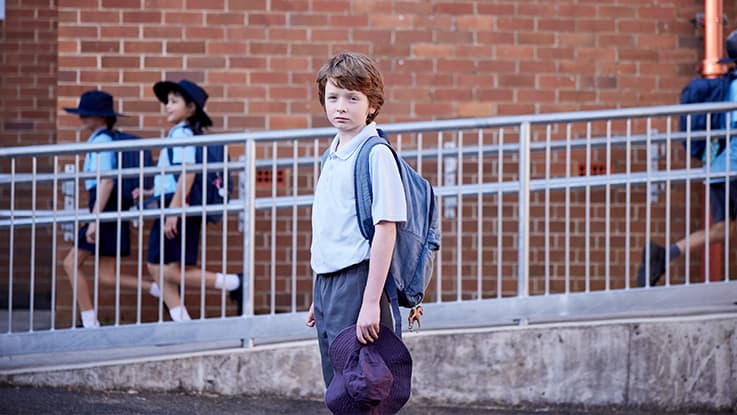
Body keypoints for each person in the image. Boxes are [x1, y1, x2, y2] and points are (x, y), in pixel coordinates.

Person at [305, 53, 407, 387]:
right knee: (338, 385)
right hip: (329, 284)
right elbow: (334, 229)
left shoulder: (375, 154)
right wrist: (319, 296)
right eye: (333, 97)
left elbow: (386, 229)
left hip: (358, 282)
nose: (341, 107)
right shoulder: (332, 154)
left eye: (353, 98)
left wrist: (369, 303)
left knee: (362, 386)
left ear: (372, 105)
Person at [638, 30, 737, 287]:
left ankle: (665, 255)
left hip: (721, 167)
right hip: (733, 167)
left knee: (725, 228)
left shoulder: (730, 84)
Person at [138, 79, 243, 321]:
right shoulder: (180, 133)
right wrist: (148, 194)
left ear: (191, 108)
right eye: (167, 101)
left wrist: (173, 212)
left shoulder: (183, 133)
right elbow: (174, 176)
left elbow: (188, 172)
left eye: (174, 101)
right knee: (158, 267)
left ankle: (235, 283)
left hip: (178, 207)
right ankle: (182, 323)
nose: (168, 106)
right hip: (174, 204)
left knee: (169, 271)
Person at [62, 90, 166, 328]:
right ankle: (157, 289)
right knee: (106, 275)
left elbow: (106, 180)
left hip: (103, 206)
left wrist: (94, 220)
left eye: (88, 114)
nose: (83, 118)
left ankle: (90, 322)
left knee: (70, 263)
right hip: (109, 206)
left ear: (103, 117)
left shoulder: (101, 141)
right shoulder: (106, 138)